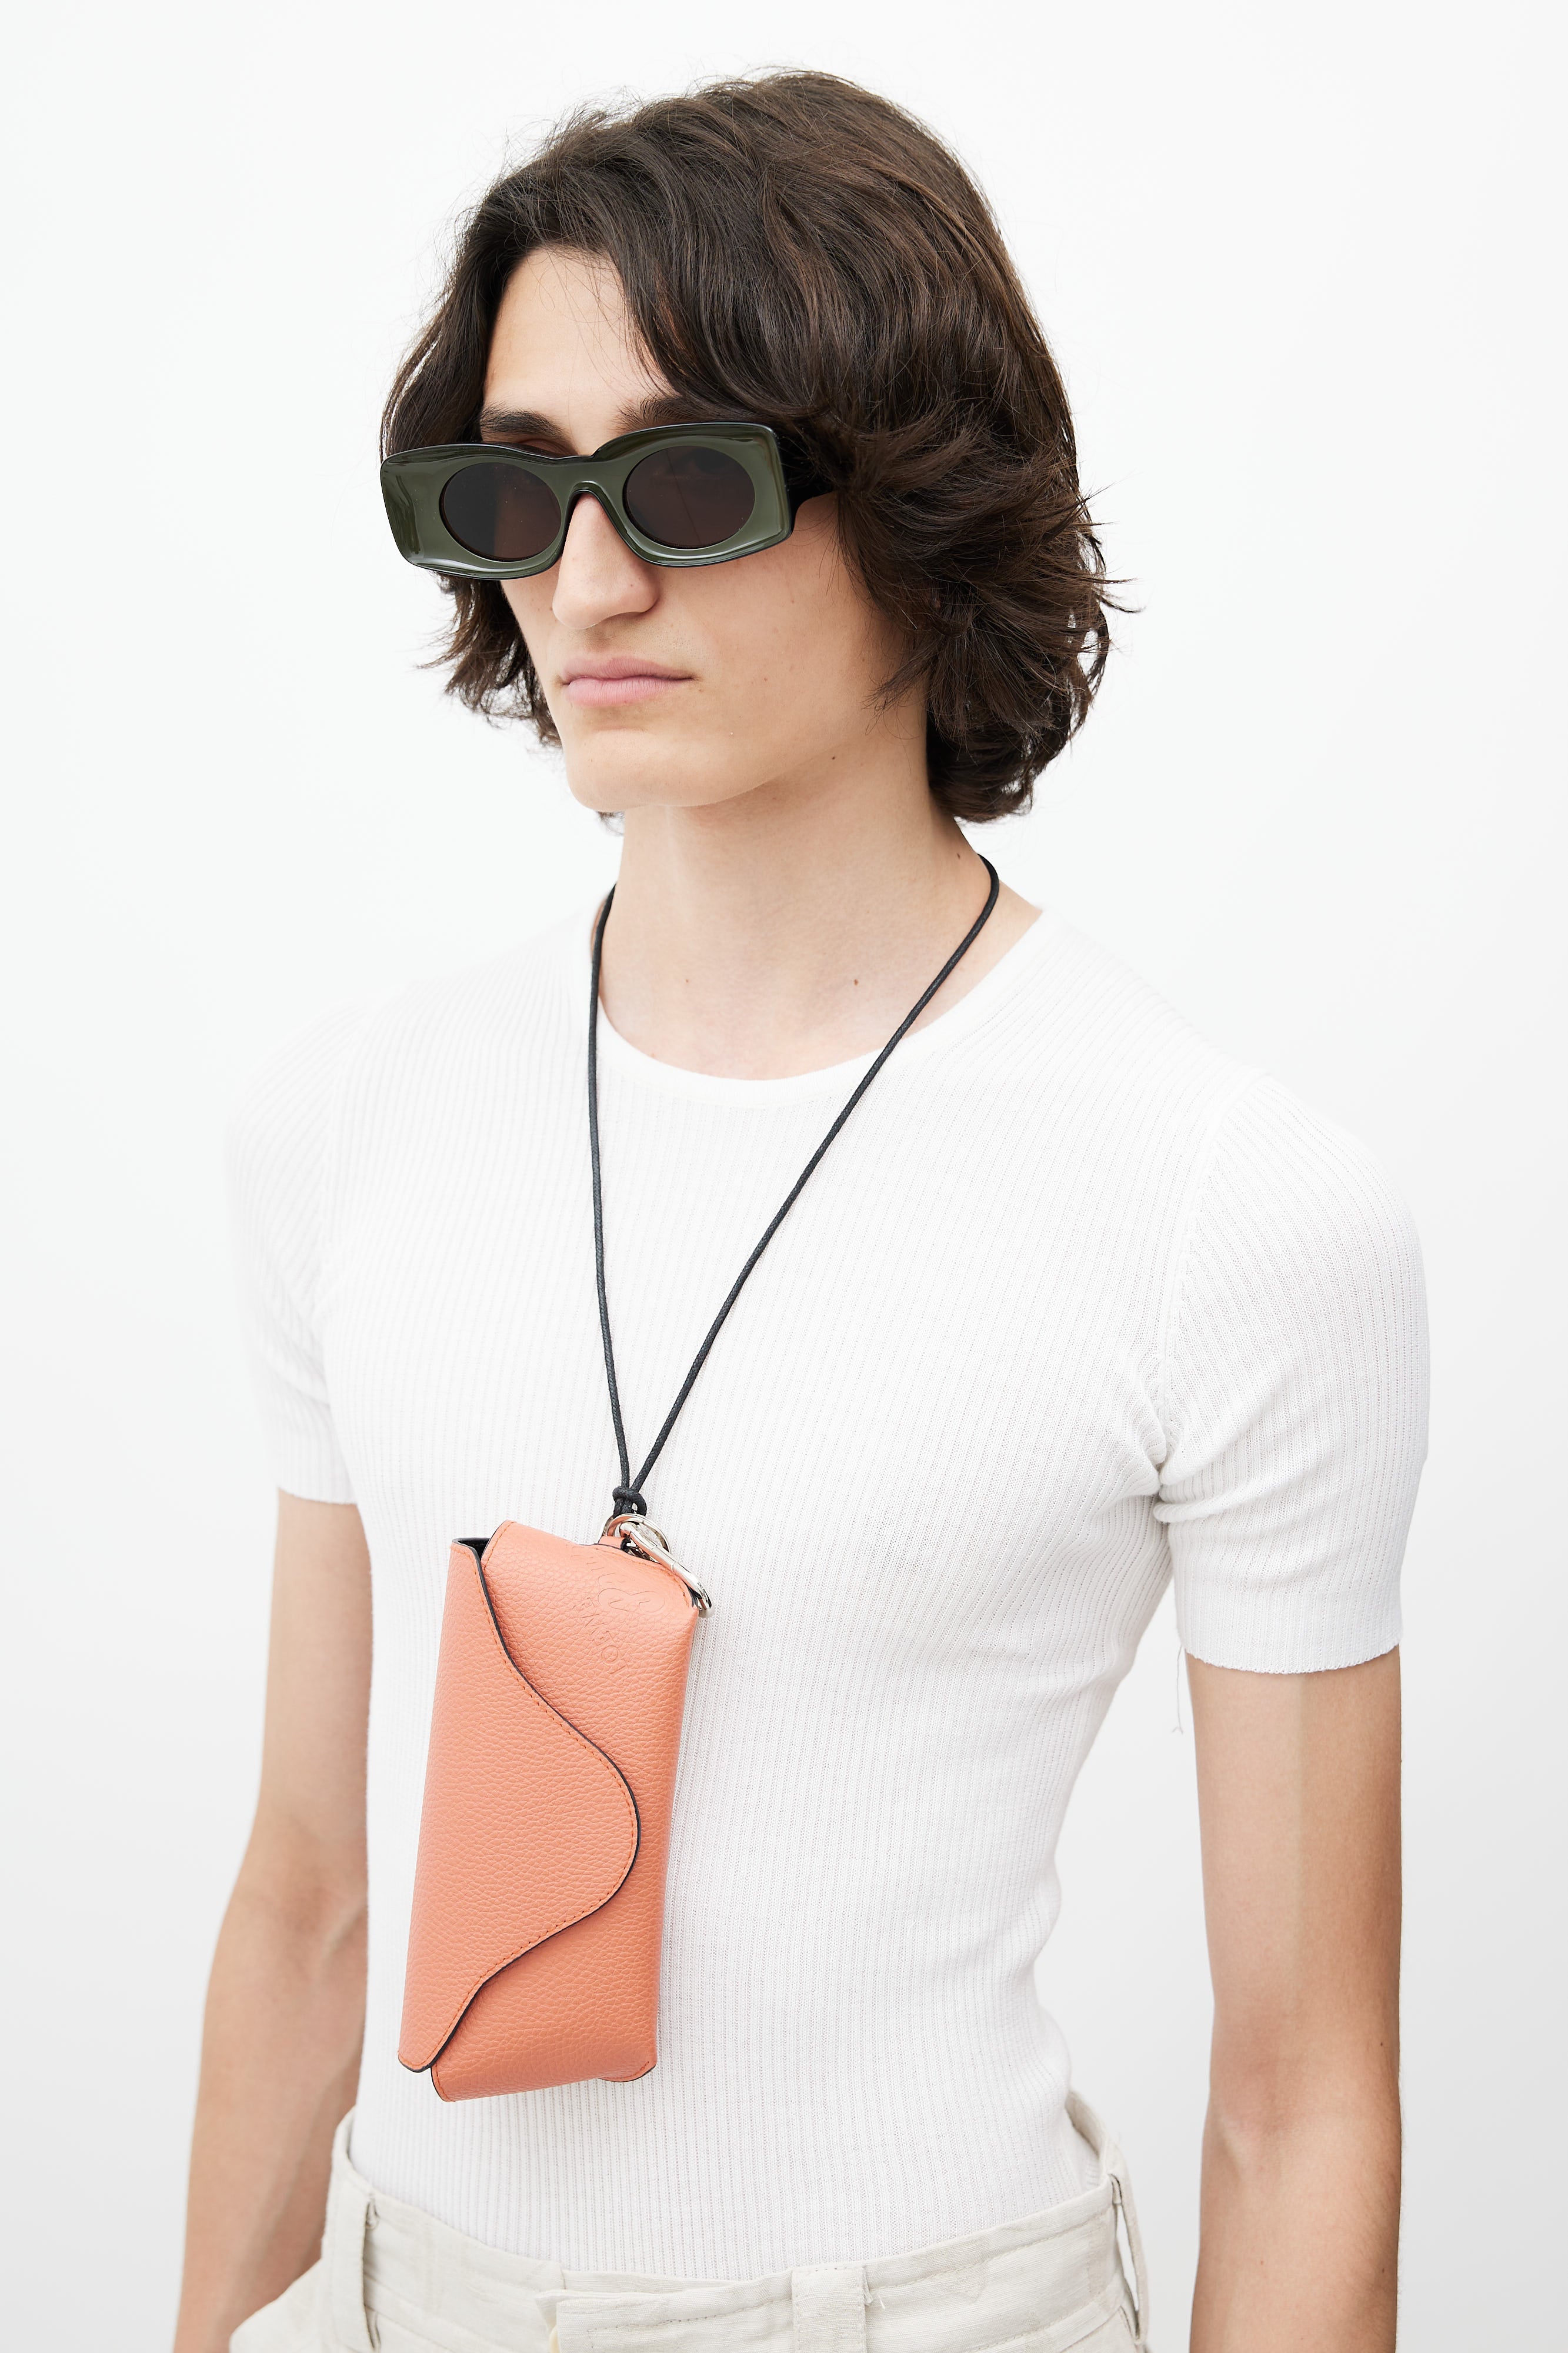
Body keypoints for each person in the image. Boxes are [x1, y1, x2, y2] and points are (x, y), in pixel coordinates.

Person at [175, 72, 1426, 2353]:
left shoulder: (1227, 1209)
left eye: (684, 481)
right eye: (516, 491)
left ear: (923, 507)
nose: (587, 582)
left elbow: (1300, 2099)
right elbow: (309, 1898)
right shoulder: (344, 1122)